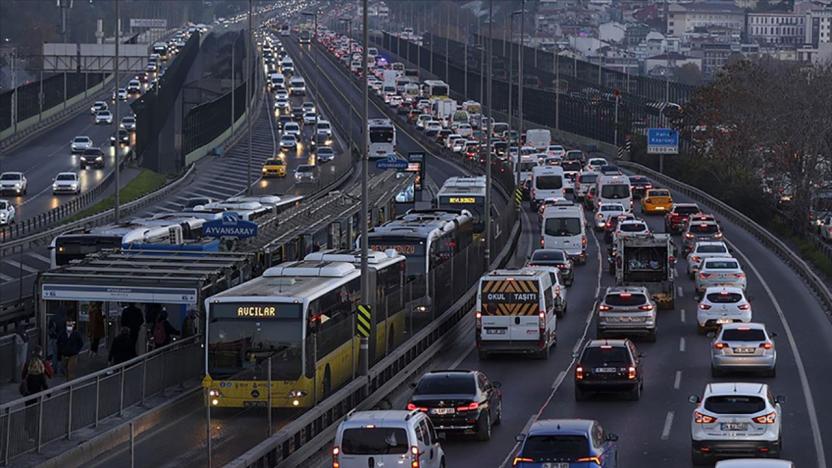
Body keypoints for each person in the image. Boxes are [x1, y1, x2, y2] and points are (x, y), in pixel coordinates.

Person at [21, 346, 49, 442]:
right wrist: (49, 394)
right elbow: (45, 385)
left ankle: (28, 429)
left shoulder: (28, 371)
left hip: (28, 396)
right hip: (37, 397)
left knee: (29, 413)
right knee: (35, 415)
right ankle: (34, 433)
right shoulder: (41, 375)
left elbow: (22, 376)